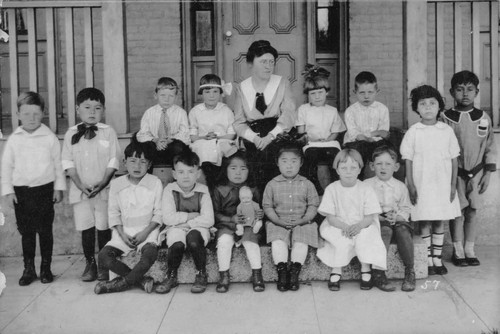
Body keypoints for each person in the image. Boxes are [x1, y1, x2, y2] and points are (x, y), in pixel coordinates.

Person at [1, 92, 65, 285]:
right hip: (22, 192)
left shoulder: (49, 137)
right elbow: (6, 167)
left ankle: (46, 267)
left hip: (44, 190)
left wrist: (58, 188)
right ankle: (28, 269)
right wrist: (8, 191)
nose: (31, 118)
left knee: (45, 231)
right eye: (26, 114)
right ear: (18, 114)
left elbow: (58, 165)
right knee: (26, 232)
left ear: (43, 113)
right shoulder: (14, 139)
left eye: (36, 114)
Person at [400, 85, 461, 276]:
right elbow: (407, 159)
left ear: (439, 106)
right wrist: (410, 184)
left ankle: (437, 258)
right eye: (423, 104)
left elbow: (454, 159)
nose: (428, 107)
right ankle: (426, 259)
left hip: (442, 182)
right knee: (424, 219)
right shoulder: (414, 131)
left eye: (432, 103)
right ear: (416, 108)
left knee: (439, 220)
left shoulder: (446, 130)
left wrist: (452, 186)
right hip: (422, 182)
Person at [62, 88, 121, 282]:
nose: (92, 112)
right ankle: (90, 263)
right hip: (81, 191)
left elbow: (114, 160)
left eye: (97, 108)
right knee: (86, 227)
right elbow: (67, 163)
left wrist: (103, 183)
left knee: (103, 227)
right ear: (78, 109)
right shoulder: (71, 134)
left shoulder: (108, 132)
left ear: (103, 110)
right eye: (87, 107)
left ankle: (104, 264)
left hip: (103, 190)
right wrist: (79, 184)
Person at [442, 71, 497, 267]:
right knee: (457, 211)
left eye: (470, 90)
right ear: (451, 92)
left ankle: (469, 249)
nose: (465, 94)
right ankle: (457, 250)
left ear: (476, 92)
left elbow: (490, 146)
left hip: (477, 172)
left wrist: (488, 173)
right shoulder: (446, 117)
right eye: (459, 89)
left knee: (472, 211)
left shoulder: (483, 118)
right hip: (455, 173)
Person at [317, 149, 393, 292]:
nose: (348, 172)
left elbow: (370, 216)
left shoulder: (365, 189)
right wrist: (345, 227)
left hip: (362, 224)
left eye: (353, 168)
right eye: (344, 168)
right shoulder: (332, 189)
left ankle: (366, 268)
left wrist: (358, 226)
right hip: (338, 225)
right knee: (339, 239)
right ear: (337, 170)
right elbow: (330, 217)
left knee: (365, 237)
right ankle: (336, 269)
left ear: (359, 169)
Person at [94, 142, 162, 294]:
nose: (137, 166)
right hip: (124, 232)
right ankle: (140, 280)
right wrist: (122, 234)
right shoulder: (117, 184)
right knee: (104, 256)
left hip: (147, 231)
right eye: (133, 161)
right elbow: (113, 213)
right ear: (124, 162)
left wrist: (145, 233)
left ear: (149, 164)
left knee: (150, 255)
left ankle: (120, 284)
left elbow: (159, 212)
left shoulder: (155, 182)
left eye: (143, 161)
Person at [232, 40, 297, 192]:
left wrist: (270, 137)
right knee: (254, 159)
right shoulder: (241, 88)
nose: (268, 66)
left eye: (271, 62)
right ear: (251, 63)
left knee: (274, 154)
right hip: (253, 135)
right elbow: (239, 122)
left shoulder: (282, 83)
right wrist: (254, 138)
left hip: (277, 132)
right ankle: (258, 206)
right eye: (263, 62)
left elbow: (289, 113)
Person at [155, 151, 214, 294]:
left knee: (193, 239)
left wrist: (187, 224)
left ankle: (201, 273)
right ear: (174, 174)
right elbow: (168, 218)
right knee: (177, 243)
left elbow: (209, 219)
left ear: (198, 173)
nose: (186, 176)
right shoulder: (170, 190)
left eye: (190, 171)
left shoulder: (203, 190)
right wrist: (190, 215)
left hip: (198, 228)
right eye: (181, 172)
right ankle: (171, 275)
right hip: (176, 227)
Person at [263, 144, 319, 292]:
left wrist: (304, 219)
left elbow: (313, 205)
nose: (289, 166)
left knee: (302, 240)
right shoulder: (272, 184)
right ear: (277, 163)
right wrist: (277, 220)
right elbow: (267, 206)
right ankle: (282, 272)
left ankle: (294, 272)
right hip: (278, 221)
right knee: (278, 240)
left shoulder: (307, 184)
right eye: (284, 161)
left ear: (301, 163)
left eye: (294, 161)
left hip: (302, 222)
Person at [212, 151, 265, 292]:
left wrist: (260, 214)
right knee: (224, 242)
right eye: (233, 168)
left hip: (248, 226)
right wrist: (231, 219)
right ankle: (223, 275)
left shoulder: (253, 190)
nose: (238, 173)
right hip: (227, 225)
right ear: (226, 169)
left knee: (251, 243)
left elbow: (258, 208)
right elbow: (215, 213)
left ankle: (257, 274)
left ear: (249, 171)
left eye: (243, 169)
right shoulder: (219, 189)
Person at [365, 146, 415, 291]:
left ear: (396, 167)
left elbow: (406, 208)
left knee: (403, 231)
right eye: (379, 164)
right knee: (385, 230)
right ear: (372, 166)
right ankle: (379, 273)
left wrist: (398, 217)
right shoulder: (367, 186)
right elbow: (362, 207)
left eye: (388, 164)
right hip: (378, 222)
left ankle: (410, 271)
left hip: (397, 221)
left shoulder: (400, 187)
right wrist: (377, 217)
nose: (383, 167)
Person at [296, 64, 346, 194]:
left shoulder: (332, 111)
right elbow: (301, 131)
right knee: (310, 157)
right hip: (311, 143)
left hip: (328, 143)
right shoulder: (303, 110)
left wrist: (327, 140)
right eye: (313, 94)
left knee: (335, 157)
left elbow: (335, 131)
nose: (317, 97)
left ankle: (336, 187)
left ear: (327, 92)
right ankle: (314, 188)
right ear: (308, 95)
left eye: (320, 93)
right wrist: (308, 139)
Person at [189, 74, 237, 187]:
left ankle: (219, 183)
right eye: (207, 92)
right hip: (201, 142)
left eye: (215, 92)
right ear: (201, 94)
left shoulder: (226, 111)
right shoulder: (195, 111)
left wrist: (218, 137)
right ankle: (207, 182)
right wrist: (203, 137)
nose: (211, 96)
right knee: (202, 148)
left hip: (222, 142)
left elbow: (231, 134)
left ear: (221, 93)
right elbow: (192, 136)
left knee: (223, 149)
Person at [343, 71, 392, 178]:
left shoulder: (382, 109)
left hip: (376, 142)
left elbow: (383, 132)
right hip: (356, 142)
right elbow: (354, 133)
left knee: (384, 150)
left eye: (370, 92)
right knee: (361, 149)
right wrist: (371, 136)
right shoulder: (350, 111)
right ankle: (358, 180)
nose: (366, 96)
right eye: (362, 93)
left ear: (377, 91)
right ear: (354, 92)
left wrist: (373, 136)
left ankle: (380, 179)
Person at [135, 77, 190, 165]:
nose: (166, 99)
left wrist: (169, 140)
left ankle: (175, 171)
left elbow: (185, 134)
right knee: (146, 147)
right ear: (156, 95)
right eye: (163, 95)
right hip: (155, 143)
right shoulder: (149, 113)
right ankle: (151, 172)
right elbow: (143, 134)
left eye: (171, 96)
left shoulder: (181, 113)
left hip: (172, 144)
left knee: (179, 147)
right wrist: (156, 140)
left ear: (176, 97)